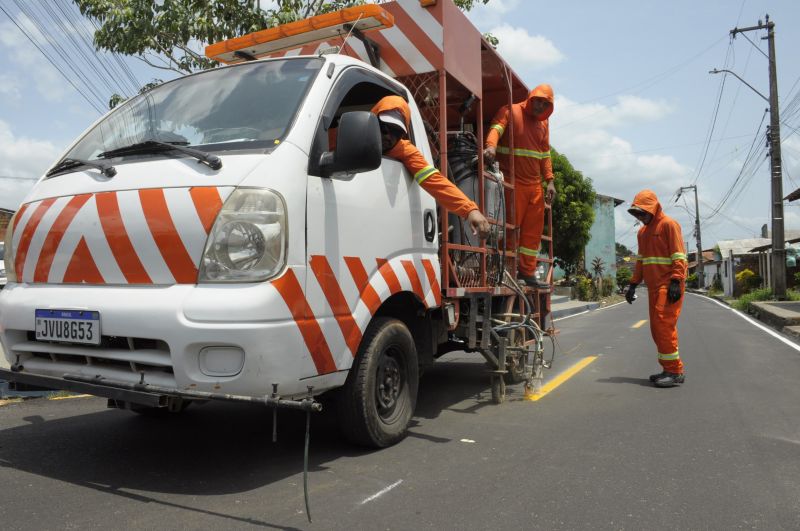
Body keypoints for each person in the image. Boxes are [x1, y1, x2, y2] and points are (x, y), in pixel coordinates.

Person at [370, 96, 490, 239]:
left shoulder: (404, 151)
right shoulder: (345, 135)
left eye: (396, 132)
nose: (389, 137)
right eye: (385, 129)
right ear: (372, 121)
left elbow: (435, 181)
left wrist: (470, 210)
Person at [483, 84, 556, 288]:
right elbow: (496, 128)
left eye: (545, 103)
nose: (540, 106)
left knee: (532, 234)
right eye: (538, 100)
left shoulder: (544, 124)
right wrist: (490, 146)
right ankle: (503, 270)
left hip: (535, 186)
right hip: (512, 183)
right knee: (510, 230)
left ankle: (527, 272)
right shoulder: (510, 110)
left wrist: (549, 181)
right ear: (531, 98)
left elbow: (545, 153)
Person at [625, 189, 688, 388]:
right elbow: (641, 261)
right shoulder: (642, 233)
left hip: (669, 286)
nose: (640, 218)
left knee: (664, 327)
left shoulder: (669, 225)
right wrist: (633, 284)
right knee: (656, 329)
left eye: (642, 213)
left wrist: (677, 281)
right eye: (637, 214)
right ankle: (667, 368)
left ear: (653, 209)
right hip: (653, 288)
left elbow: (679, 256)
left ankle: (675, 371)